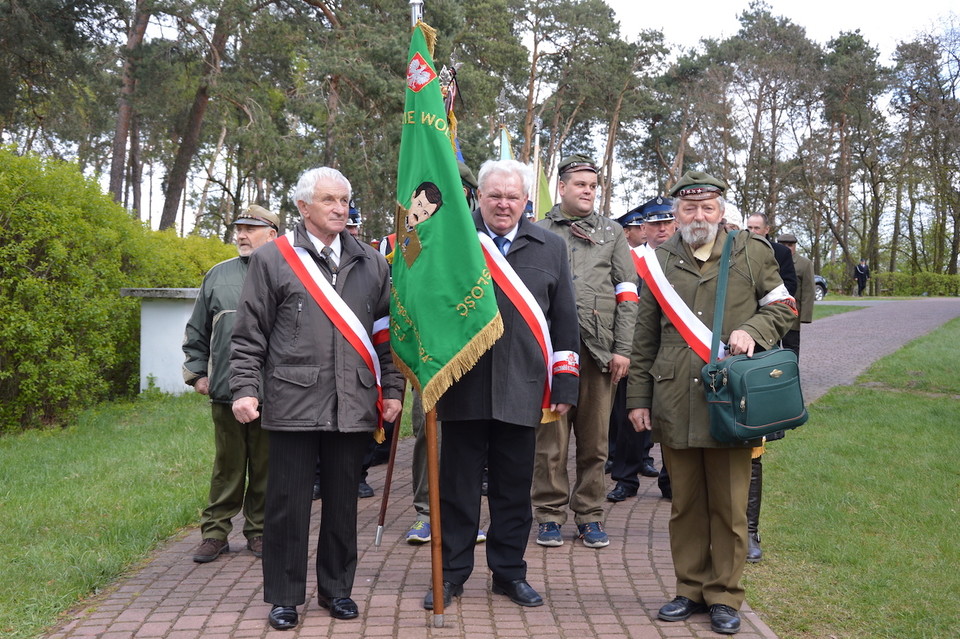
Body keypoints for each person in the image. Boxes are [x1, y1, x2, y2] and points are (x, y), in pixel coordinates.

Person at [230, 167, 404, 631]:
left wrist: (393, 390)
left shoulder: (372, 261)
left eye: (344, 200)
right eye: (329, 200)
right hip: (292, 403)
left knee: (344, 503)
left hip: (354, 403)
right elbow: (249, 335)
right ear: (303, 207)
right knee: (287, 505)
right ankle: (285, 597)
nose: (339, 208)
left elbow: (387, 336)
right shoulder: (274, 260)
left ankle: (337, 590)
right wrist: (245, 388)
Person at [627, 170, 795, 635]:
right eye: (688, 207)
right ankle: (689, 589)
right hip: (675, 397)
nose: (698, 215)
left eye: (707, 208)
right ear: (676, 212)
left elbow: (784, 306)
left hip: (731, 402)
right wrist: (638, 398)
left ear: (722, 212)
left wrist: (754, 332)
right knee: (685, 504)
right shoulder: (658, 259)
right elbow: (643, 336)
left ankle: (724, 595)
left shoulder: (751, 252)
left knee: (728, 505)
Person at [424, 159, 579, 610]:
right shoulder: (451, 241)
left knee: (514, 491)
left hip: (523, 386)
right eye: (495, 195)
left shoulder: (550, 246)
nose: (504, 204)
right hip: (461, 387)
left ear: (526, 200)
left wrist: (565, 385)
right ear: (479, 197)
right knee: (457, 489)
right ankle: (451, 574)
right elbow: (429, 307)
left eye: (513, 196)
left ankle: (509, 574)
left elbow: (564, 319)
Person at [532, 154, 638, 549]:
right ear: (562, 187)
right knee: (550, 442)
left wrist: (623, 349)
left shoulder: (612, 234)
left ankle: (590, 515)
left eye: (593, 186)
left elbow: (628, 295)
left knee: (595, 442)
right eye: (580, 185)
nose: (588, 192)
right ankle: (548, 515)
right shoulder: (538, 231)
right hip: (552, 355)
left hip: (599, 353)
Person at [182, 205, 278, 564]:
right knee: (228, 465)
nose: (241, 234)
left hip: (274, 391)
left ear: (272, 234)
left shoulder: (288, 273)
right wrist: (197, 372)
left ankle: (260, 532)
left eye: (250, 228)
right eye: (239, 228)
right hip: (225, 390)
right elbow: (197, 331)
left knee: (267, 466)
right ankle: (215, 533)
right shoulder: (218, 276)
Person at [405, 160, 486, 546]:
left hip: (472, 352)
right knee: (428, 431)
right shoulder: (413, 239)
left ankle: (466, 514)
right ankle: (426, 512)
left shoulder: (480, 240)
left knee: (470, 437)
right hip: (428, 352)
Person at [743, 214, 799, 564]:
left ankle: (750, 529)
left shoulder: (771, 255)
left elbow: (784, 305)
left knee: (752, 454)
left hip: (754, 364)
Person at [605, 201, 659, 504]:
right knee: (629, 414)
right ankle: (625, 478)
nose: (662, 229)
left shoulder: (682, 259)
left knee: (670, 416)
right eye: (655, 224)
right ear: (644, 229)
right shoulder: (630, 259)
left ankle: (668, 479)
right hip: (637, 347)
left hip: (672, 349)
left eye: (667, 223)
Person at [777, 233, 814, 357]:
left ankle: (791, 373)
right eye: (783, 245)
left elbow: (808, 290)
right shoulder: (770, 259)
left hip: (792, 313)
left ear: (795, 246)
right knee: (771, 349)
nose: (787, 247)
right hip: (771, 311)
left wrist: (805, 316)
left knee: (791, 348)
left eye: (790, 245)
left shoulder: (804, 263)